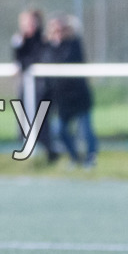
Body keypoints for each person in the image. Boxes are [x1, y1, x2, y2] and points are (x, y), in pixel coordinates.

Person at [42, 15, 97, 168]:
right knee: (59, 129)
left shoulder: (73, 44)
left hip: (79, 97)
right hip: (62, 99)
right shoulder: (48, 48)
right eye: (55, 29)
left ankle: (91, 158)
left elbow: (67, 59)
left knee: (86, 131)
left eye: (61, 29)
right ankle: (74, 156)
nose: (58, 32)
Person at [11, 8, 57, 162]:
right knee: (23, 119)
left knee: (41, 121)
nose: (28, 25)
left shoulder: (44, 39)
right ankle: (28, 152)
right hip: (27, 86)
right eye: (25, 22)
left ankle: (50, 152)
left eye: (31, 21)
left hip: (43, 88)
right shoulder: (20, 40)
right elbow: (19, 61)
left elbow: (40, 59)